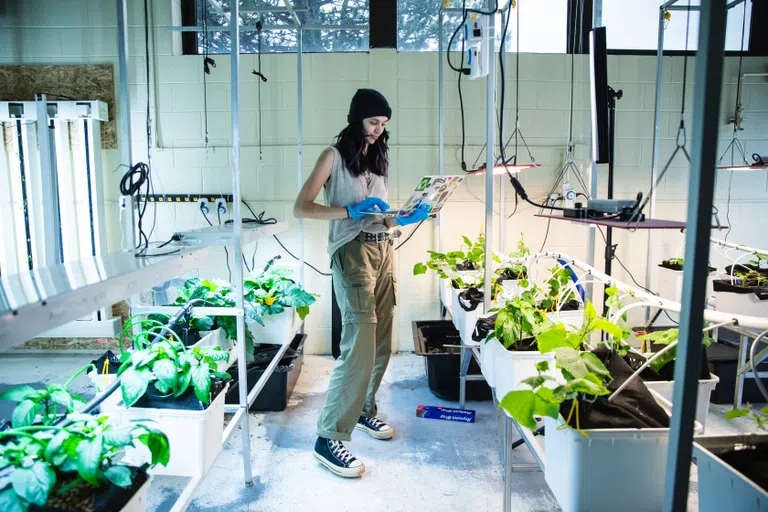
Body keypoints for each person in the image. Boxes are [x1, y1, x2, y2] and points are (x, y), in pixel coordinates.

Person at [294, 89, 429, 478]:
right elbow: (301, 207)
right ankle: (329, 436)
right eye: (373, 122)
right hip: (352, 253)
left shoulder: (378, 159)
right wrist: (348, 210)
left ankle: (364, 411)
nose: (377, 130)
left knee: (383, 342)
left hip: (383, 249)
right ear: (357, 120)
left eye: (383, 124)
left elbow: (380, 215)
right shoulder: (332, 157)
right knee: (359, 344)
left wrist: (400, 219)